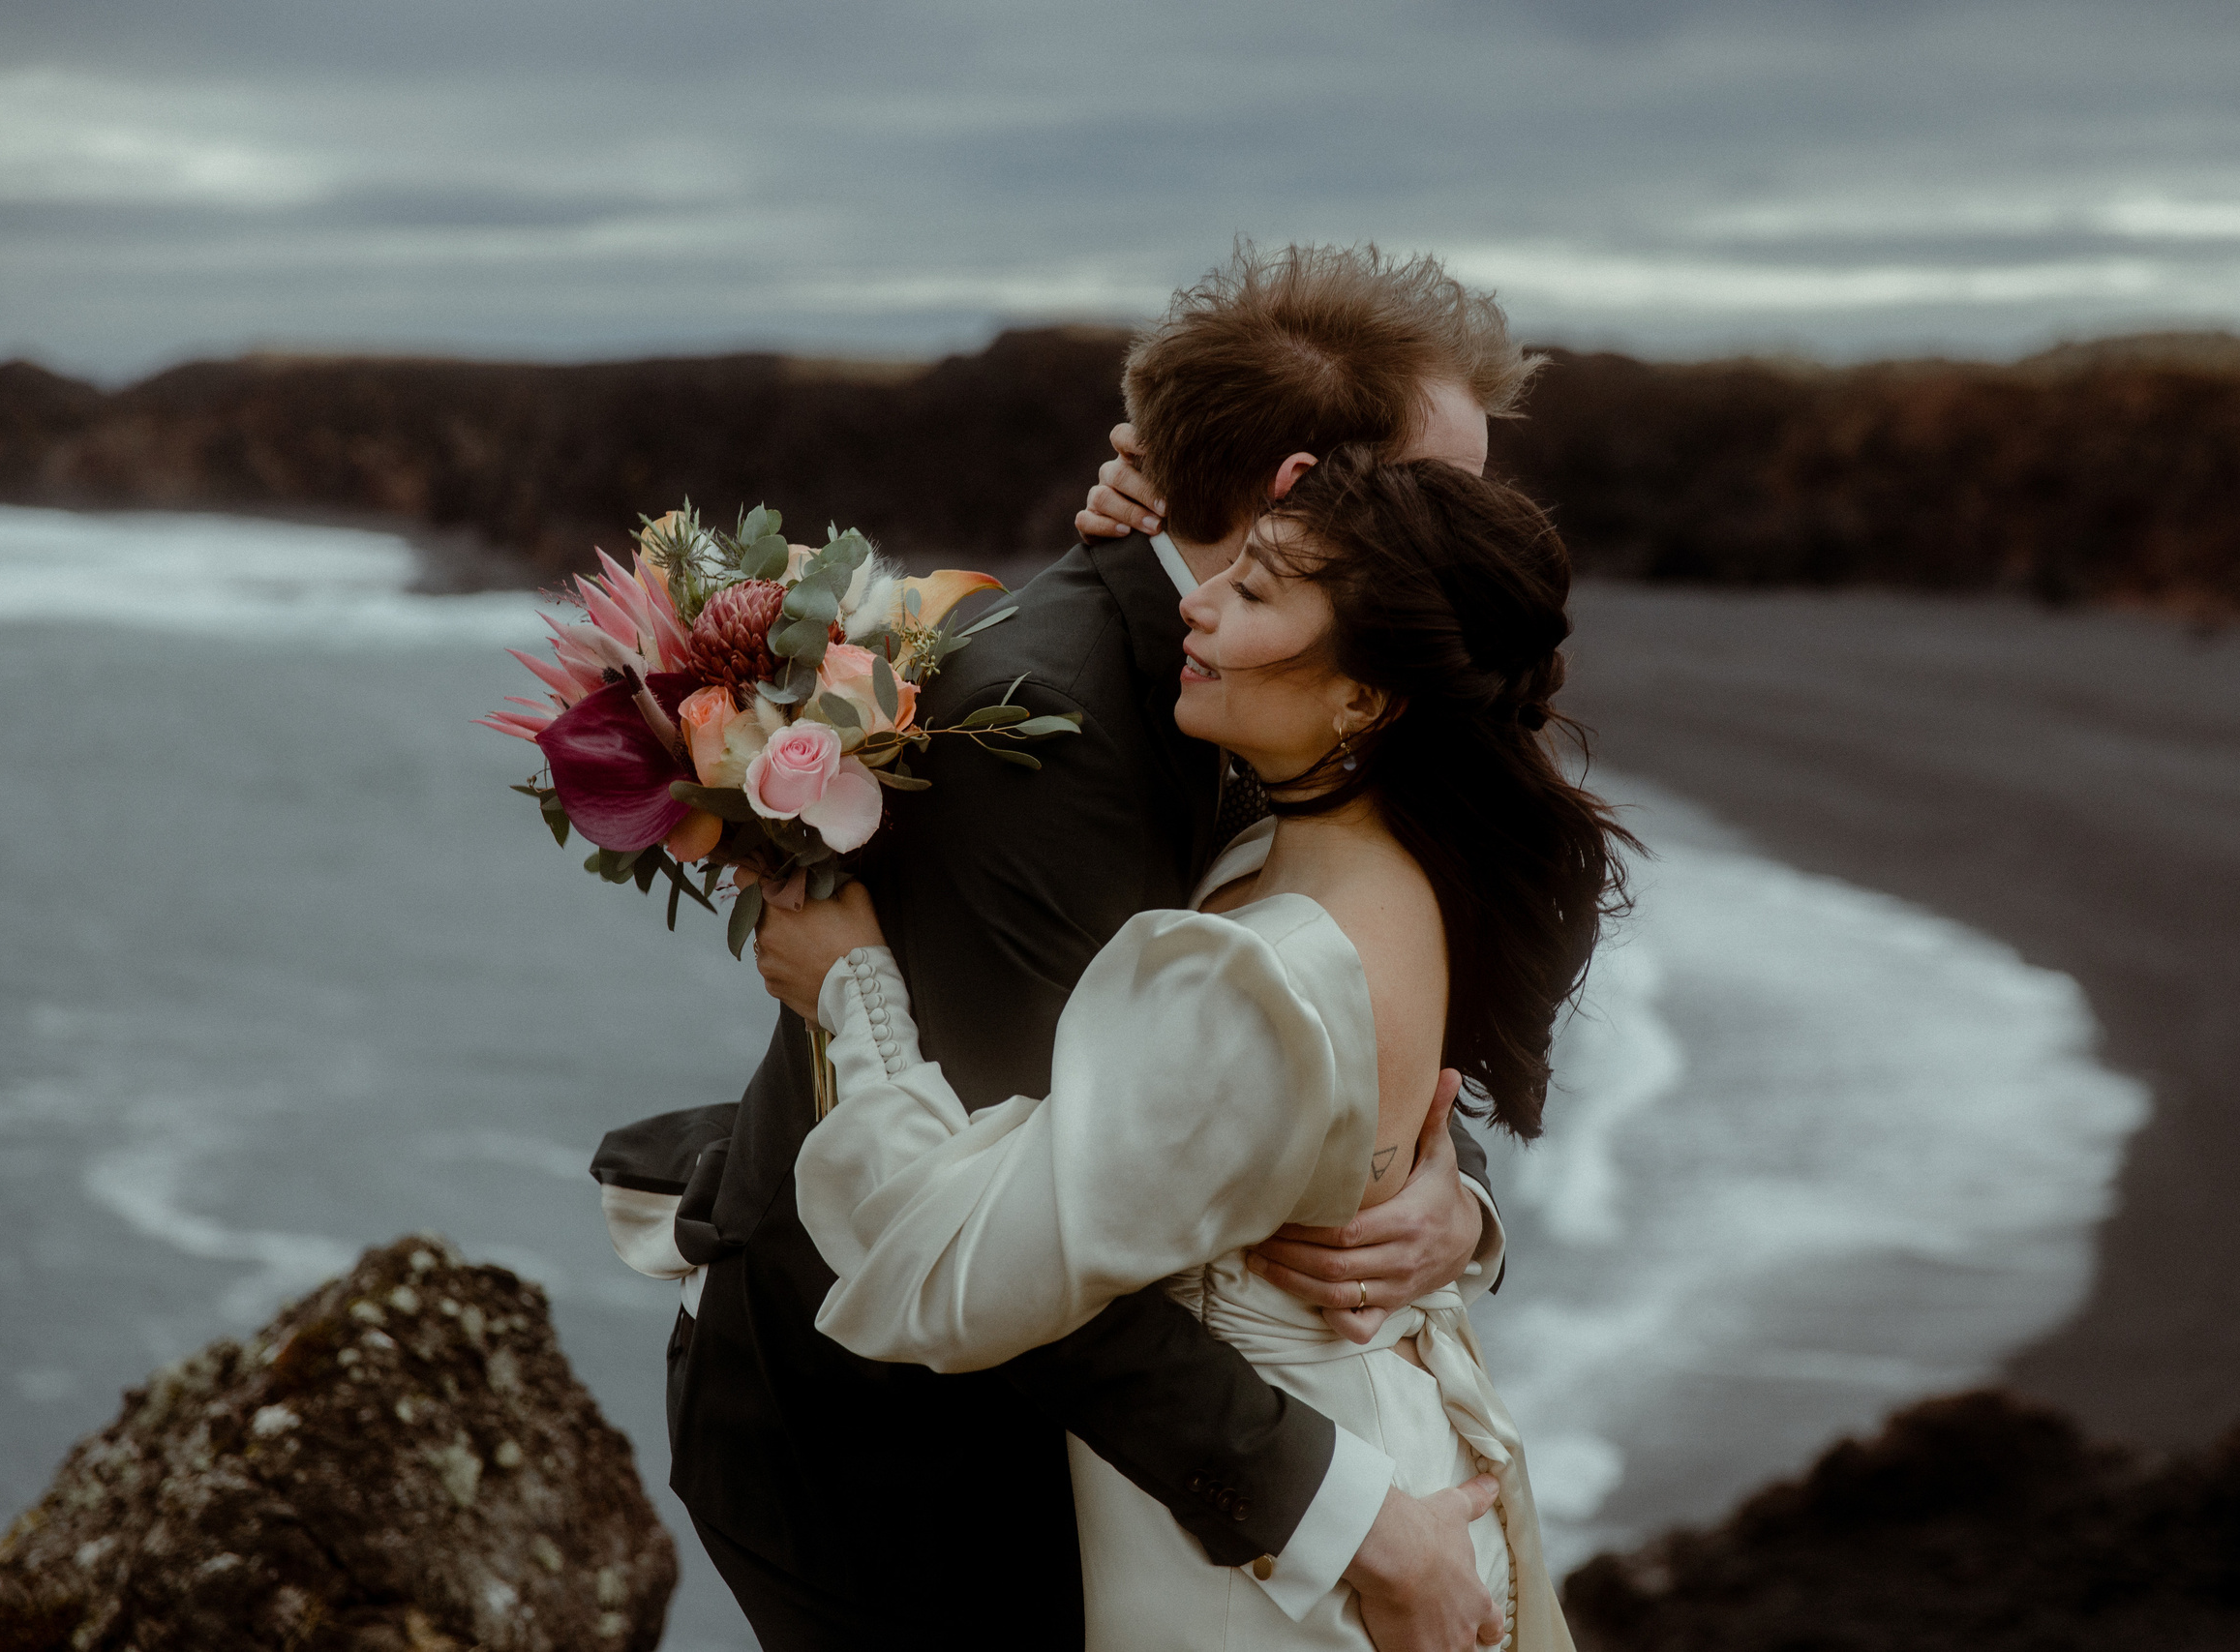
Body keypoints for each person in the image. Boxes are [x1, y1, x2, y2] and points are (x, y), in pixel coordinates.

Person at [590, 244, 1548, 1647]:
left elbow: (1343, 1011)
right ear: (1297, 490)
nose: (1475, 532)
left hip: (1074, 1422)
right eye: (1447, 491)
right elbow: (998, 1233)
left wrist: (1444, 1200)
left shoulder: (1299, 696)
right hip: (903, 1459)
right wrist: (1344, 1519)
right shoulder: (1051, 725)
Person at [762, 447, 1637, 1649]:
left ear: (1365, 700)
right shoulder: (1365, 857)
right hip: (1365, 1453)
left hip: (1273, 1586)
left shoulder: (1268, 977)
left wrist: (853, 995)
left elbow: (947, 1281)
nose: (1198, 602)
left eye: (1257, 591)